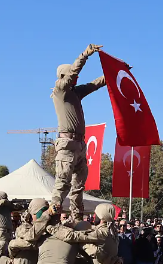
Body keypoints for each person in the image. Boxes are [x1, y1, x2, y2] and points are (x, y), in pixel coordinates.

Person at [51, 43, 106, 220]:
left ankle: (77, 216)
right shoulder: (60, 90)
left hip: (79, 144)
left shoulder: (75, 92)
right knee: (63, 181)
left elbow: (94, 84)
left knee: (78, 185)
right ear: (63, 76)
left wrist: (114, 74)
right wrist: (85, 55)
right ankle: (53, 211)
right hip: (67, 144)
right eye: (72, 76)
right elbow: (73, 73)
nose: (76, 78)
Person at [0, 191, 23, 256]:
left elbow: (19, 208)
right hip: (1, 232)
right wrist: (9, 202)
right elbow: (3, 202)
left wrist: (17, 203)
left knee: (10, 252)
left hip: (9, 232)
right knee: (1, 251)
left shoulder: (6, 207)